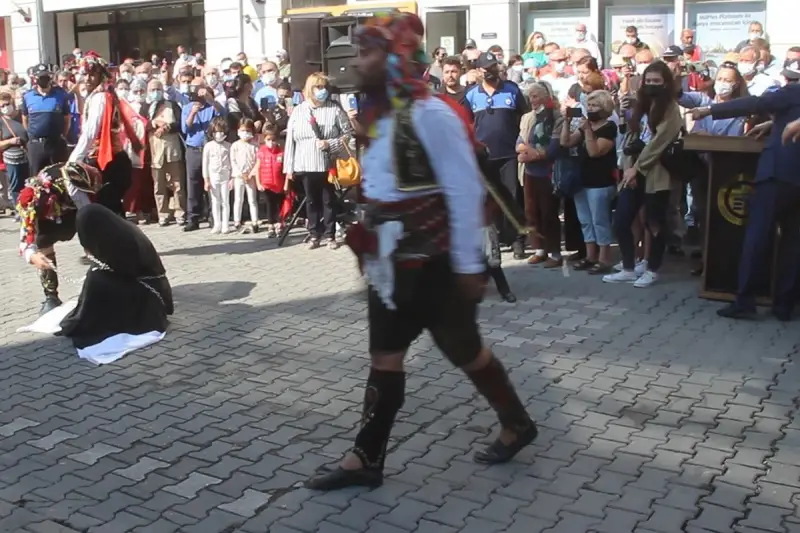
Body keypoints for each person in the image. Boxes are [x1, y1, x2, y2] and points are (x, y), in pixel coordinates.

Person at [305, 12, 536, 492]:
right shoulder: (379, 115)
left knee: (466, 352)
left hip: (435, 264)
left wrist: (470, 268)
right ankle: (365, 459)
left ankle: (517, 423)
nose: (358, 62)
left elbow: (463, 190)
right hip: (390, 264)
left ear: (394, 57)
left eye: (368, 52)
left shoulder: (433, 114)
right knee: (385, 357)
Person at [689, 60, 800, 321]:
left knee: (756, 238)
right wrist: (772, 125)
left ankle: (745, 301)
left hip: (777, 174)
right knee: (793, 244)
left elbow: (755, 104)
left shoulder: (793, 91)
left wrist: (708, 110)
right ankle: (784, 305)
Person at [603, 61, 682, 288]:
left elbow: (659, 143)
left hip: (657, 173)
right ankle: (628, 267)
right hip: (633, 170)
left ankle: (652, 269)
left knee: (654, 223)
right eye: (648, 81)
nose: (651, 84)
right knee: (621, 221)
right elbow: (634, 136)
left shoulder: (671, 109)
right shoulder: (642, 105)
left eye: (656, 81)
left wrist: (637, 167)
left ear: (665, 83)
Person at [58, 204, 173, 350]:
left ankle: (86, 321)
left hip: (151, 295)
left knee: (96, 280)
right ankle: (84, 317)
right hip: (150, 287)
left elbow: (123, 271)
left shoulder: (123, 241)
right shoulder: (119, 231)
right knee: (96, 274)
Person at [17, 162, 105, 313]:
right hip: (50, 220)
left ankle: (102, 284)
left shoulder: (81, 187)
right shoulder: (34, 200)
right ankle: (51, 296)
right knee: (43, 249)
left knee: (95, 241)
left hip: (75, 213)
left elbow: (92, 217)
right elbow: (26, 235)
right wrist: (32, 256)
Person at [284, 72, 353, 250]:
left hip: (327, 164)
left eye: (324, 87)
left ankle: (330, 235)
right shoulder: (299, 111)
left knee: (328, 200)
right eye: (318, 87)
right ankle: (314, 234)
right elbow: (291, 140)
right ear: (310, 89)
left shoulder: (334, 109)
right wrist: (288, 168)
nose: (322, 90)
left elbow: (347, 134)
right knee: (311, 200)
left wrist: (331, 143)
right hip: (305, 163)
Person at [68, 52, 140, 218]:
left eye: (92, 75)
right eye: (85, 74)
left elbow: (91, 131)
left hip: (107, 159)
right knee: (109, 207)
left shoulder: (101, 97)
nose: (88, 79)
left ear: (101, 75)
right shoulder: (100, 95)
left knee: (107, 208)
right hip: (107, 157)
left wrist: (75, 157)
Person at [561, 90, 618, 274]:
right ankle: (590, 255)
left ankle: (604, 258)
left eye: (595, 105)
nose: (591, 109)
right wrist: (566, 122)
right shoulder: (586, 126)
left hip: (600, 181)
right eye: (589, 105)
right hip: (582, 180)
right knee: (585, 221)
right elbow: (566, 142)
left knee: (599, 220)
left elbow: (595, 152)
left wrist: (587, 131)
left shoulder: (608, 127)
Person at [181, 78, 223, 231]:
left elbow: (223, 114)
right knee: (193, 184)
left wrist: (210, 99)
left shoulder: (211, 106)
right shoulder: (187, 107)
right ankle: (193, 218)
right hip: (194, 149)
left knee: (212, 183)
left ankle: (213, 217)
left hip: (210, 149)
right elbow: (185, 129)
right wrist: (193, 113)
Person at [147, 79, 185, 226]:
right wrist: (153, 123)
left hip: (172, 149)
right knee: (159, 185)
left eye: (158, 89)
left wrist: (167, 127)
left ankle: (180, 212)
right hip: (155, 151)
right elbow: (140, 123)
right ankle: (163, 214)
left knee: (177, 183)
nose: (155, 92)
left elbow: (181, 123)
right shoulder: (146, 107)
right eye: (152, 90)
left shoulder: (172, 105)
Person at [21, 64, 71, 177]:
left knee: (60, 176)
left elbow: (67, 118)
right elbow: (25, 118)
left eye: (46, 77)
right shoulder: (28, 96)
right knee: (36, 178)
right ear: (35, 78)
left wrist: (62, 135)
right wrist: (31, 135)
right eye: (40, 77)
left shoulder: (61, 94)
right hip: (36, 145)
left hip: (56, 144)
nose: (44, 80)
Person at [0, 91, 28, 221]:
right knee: (16, 185)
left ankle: (30, 207)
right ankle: (19, 210)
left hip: (27, 155)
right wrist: (10, 141)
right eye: (1, 106)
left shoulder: (22, 116)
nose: (5, 108)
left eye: (6, 104)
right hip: (11, 158)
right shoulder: (1, 122)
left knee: (29, 182)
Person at [203, 117, 233, 235]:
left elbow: (232, 162)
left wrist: (232, 178)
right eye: (216, 132)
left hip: (226, 176)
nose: (219, 134)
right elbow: (205, 164)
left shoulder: (228, 146)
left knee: (225, 201)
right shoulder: (208, 146)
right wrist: (206, 180)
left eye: (221, 131)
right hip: (213, 176)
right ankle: (217, 224)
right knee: (215, 201)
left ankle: (225, 224)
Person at [255, 124, 286, 237]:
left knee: (279, 205)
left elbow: (285, 170)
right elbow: (258, 168)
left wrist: (286, 184)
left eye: (273, 140)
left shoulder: (281, 152)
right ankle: (270, 225)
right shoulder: (261, 151)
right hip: (267, 184)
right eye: (268, 140)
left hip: (279, 184)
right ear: (264, 139)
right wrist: (258, 183)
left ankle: (279, 224)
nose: (271, 142)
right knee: (269, 205)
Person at [230, 118, 260, 233]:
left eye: (248, 131)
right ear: (238, 131)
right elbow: (233, 161)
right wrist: (241, 173)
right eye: (242, 130)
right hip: (239, 177)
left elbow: (257, 161)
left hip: (251, 177)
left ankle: (255, 221)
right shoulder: (235, 146)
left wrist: (251, 174)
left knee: (252, 200)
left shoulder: (255, 146)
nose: (245, 133)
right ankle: (237, 221)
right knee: (238, 199)